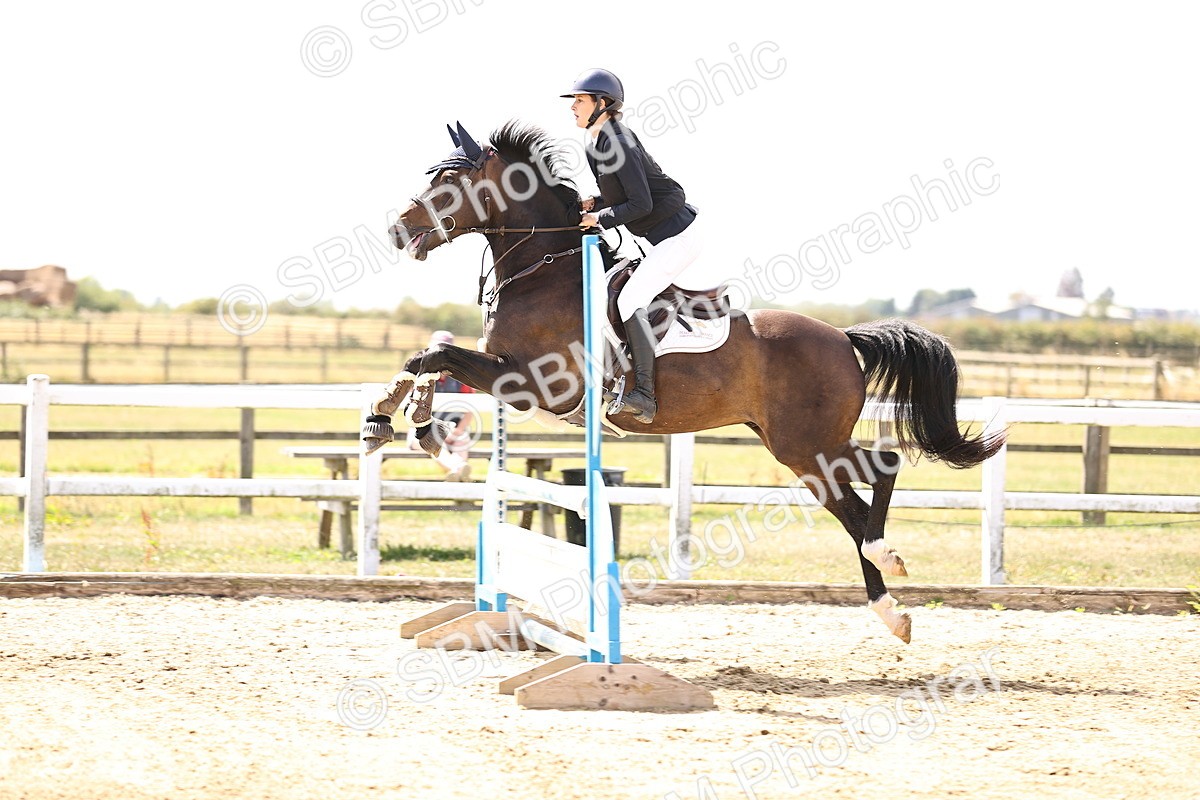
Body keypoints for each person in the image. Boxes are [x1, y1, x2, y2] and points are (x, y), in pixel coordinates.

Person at [562, 68, 704, 425]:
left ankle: (645, 395)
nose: (573, 107)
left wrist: (601, 220)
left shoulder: (618, 142)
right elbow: (620, 195)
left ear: (602, 103)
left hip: (679, 238)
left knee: (629, 300)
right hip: (660, 238)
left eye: (579, 100)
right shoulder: (597, 141)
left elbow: (640, 204)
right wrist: (594, 203)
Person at [406, 330, 476, 481]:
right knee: (433, 441)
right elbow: (412, 410)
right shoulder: (419, 376)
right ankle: (459, 469)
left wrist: (456, 432)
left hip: (452, 427)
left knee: (462, 439)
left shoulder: (462, 377)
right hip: (422, 430)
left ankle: (456, 473)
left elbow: (470, 409)